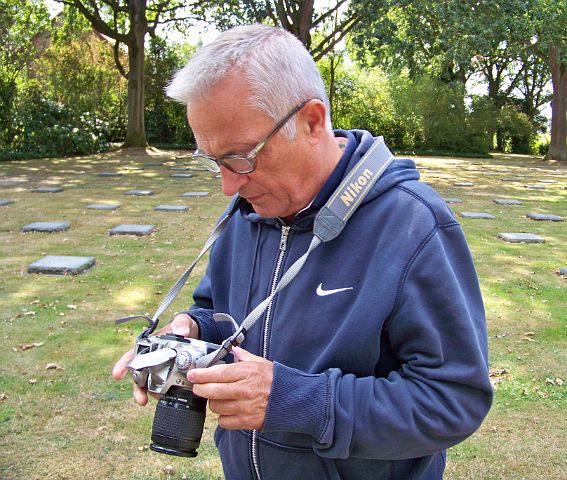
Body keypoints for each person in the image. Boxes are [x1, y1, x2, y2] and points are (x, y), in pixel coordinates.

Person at [113, 23, 492, 480]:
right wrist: (191, 332)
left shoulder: (412, 225)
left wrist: (296, 401)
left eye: (241, 158)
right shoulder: (248, 209)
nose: (228, 184)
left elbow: (454, 399)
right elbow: (219, 310)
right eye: (213, 161)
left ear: (311, 121)